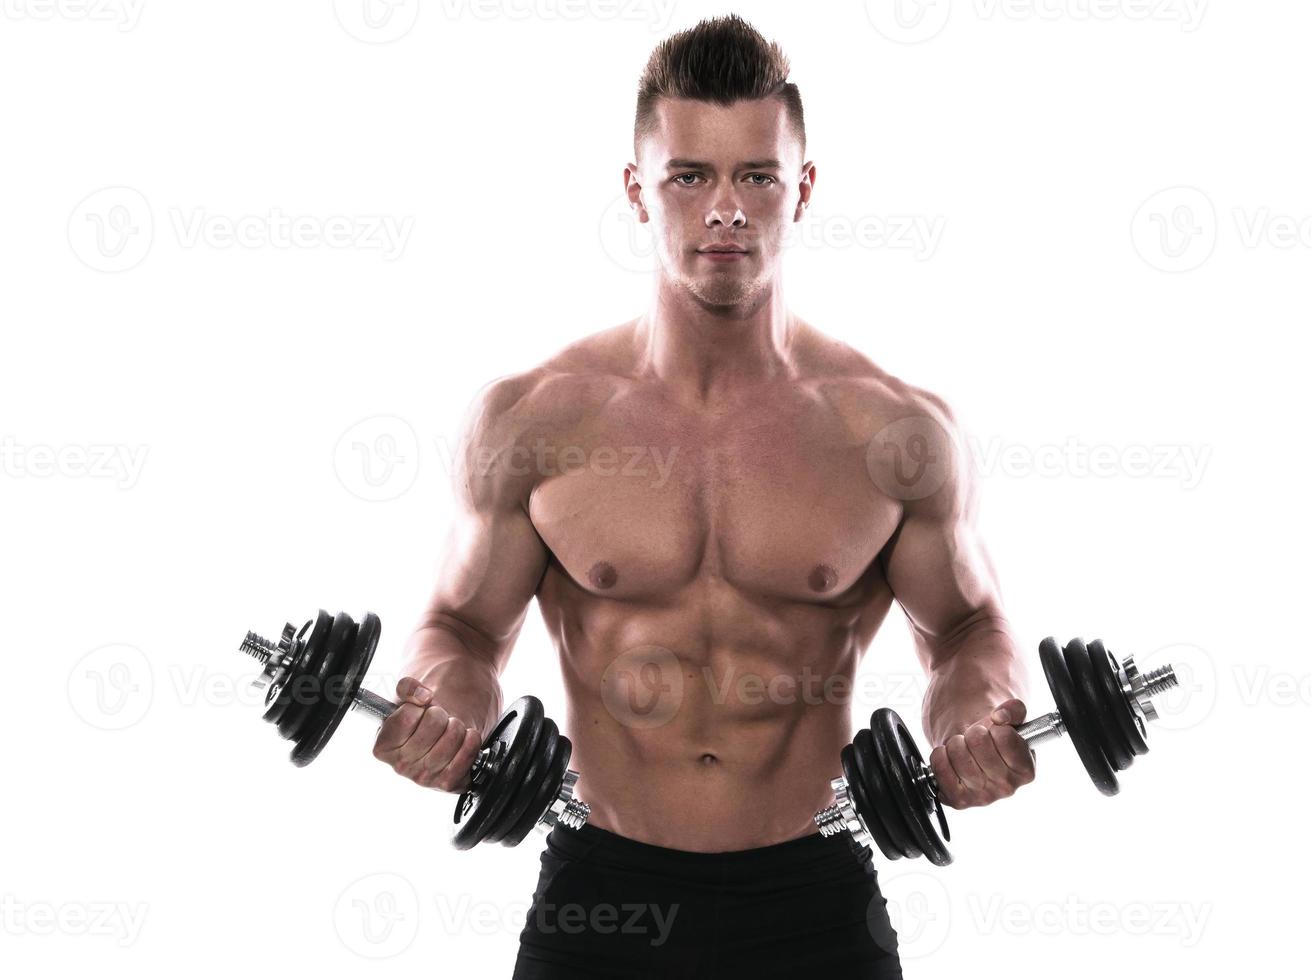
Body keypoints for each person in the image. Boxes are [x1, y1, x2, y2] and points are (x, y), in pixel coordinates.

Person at [372, 14, 1034, 979]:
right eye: (689, 176)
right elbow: (463, 631)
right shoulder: (536, 420)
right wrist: (442, 713)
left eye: (755, 177)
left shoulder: (891, 432)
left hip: (816, 905)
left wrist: (975, 724)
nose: (724, 209)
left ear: (800, 189)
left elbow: (971, 631)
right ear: (637, 191)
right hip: (601, 902)